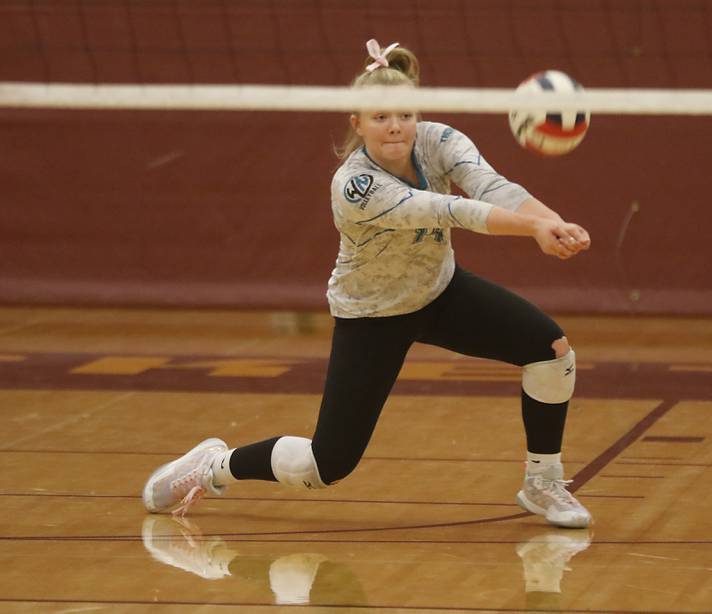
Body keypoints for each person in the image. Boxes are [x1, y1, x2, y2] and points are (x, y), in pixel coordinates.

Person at [142, 39, 592, 528]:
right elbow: (450, 210)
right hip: (372, 315)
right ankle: (214, 467)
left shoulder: (440, 141)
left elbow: (491, 186)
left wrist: (554, 222)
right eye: (379, 117)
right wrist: (534, 230)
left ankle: (543, 482)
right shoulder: (355, 185)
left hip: (441, 291)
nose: (394, 125)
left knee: (550, 350)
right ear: (357, 124)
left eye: (403, 114)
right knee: (326, 465)